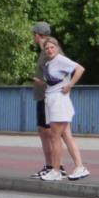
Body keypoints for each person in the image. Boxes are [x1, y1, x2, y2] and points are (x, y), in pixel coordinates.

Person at [39, 37, 89, 181]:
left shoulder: (61, 60)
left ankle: (56, 170)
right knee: (66, 136)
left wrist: (70, 85)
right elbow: (53, 81)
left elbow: (80, 69)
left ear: (57, 47)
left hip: (59, 101)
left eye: (51, 47)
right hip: (52, 100)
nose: (49, 50)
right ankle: (80, 167)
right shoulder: (49, 63)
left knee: (54, 136)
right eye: (46, 48)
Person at [29, 22, 62, 179]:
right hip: (43, 95)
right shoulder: (45, 49)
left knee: (50, 132)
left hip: (48, 95)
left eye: (33, 35)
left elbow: (59, 71)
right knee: (44, 131)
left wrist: (42, 82)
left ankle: (55, 166)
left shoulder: (50, 48)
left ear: (37, 35)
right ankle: (50, 165)